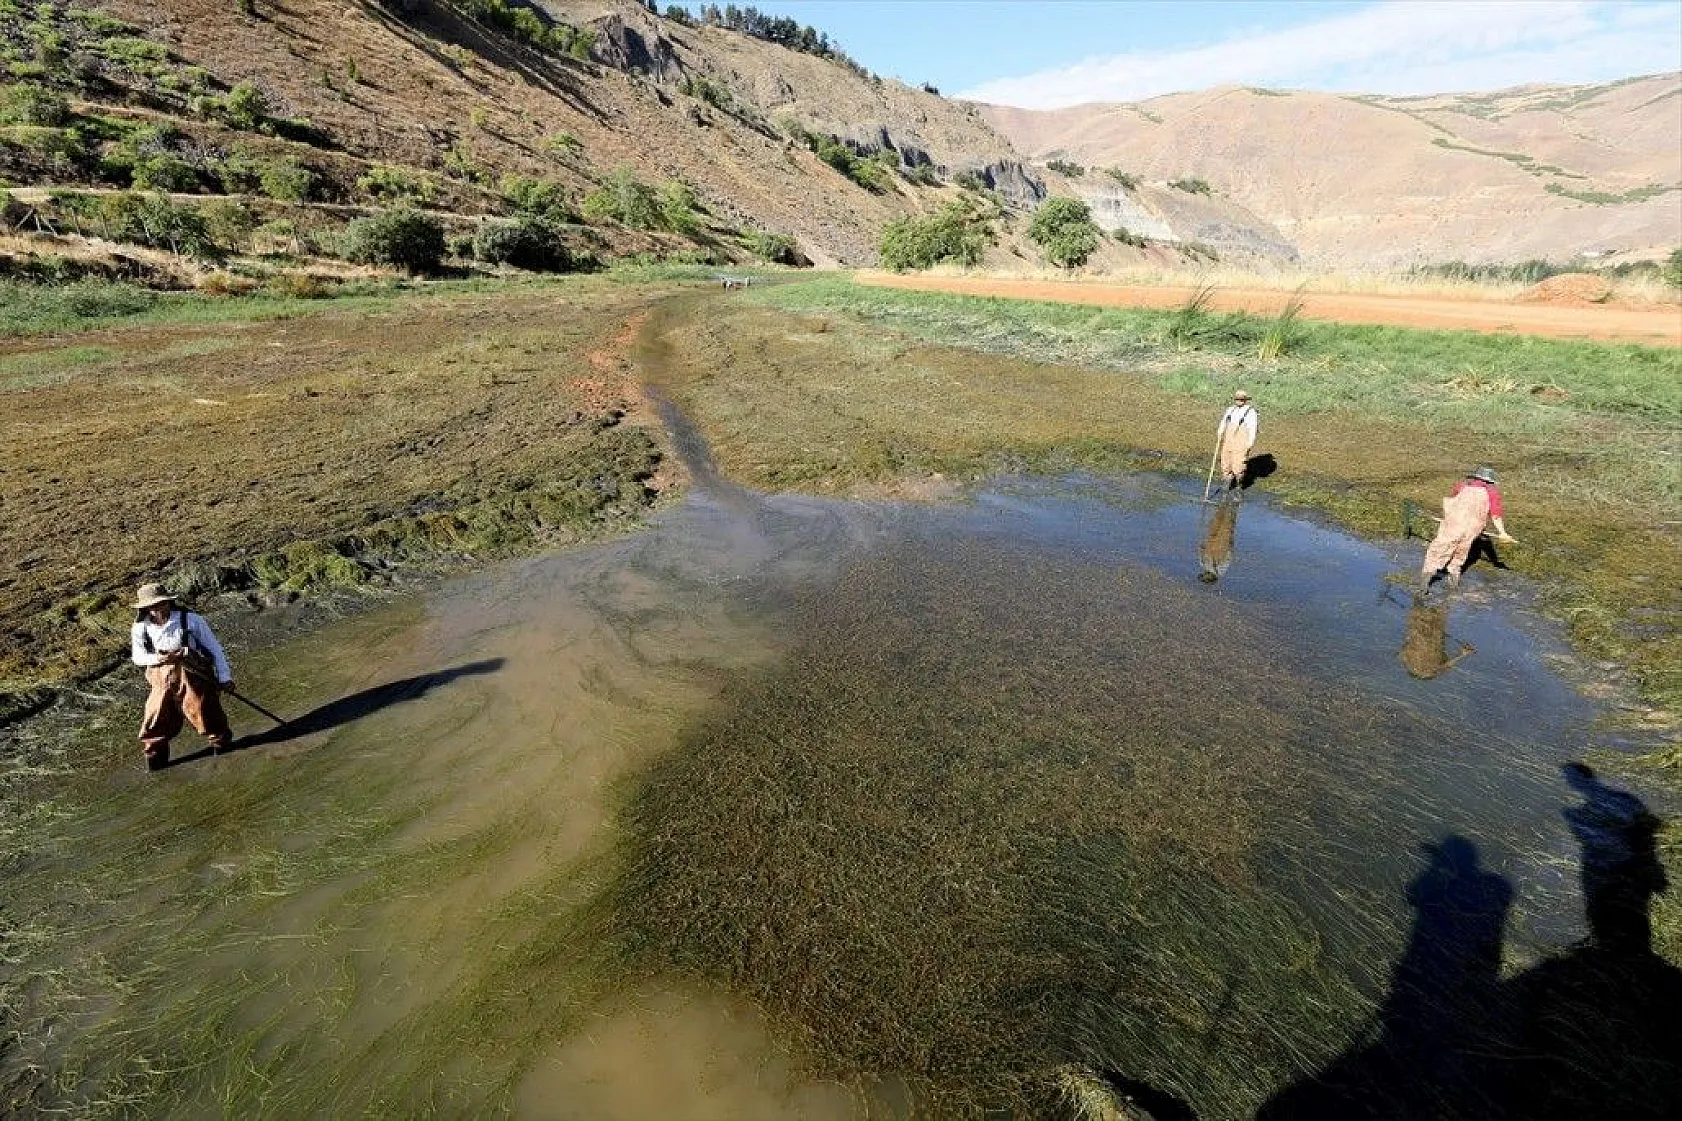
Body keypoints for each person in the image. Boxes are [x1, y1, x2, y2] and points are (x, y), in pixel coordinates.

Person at [130, 582, 235, 770]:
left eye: (161, 604)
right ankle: (156, 760)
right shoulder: (140, 629)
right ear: (145, 608)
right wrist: (158, 658)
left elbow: (214, 649)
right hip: (160, 680)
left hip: (193, 675)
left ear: (169, 602)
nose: (157, 609)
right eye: (152, 606)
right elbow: (138, 657)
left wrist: (225, 677)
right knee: (154, 719)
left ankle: (223, 747)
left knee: (205, 713)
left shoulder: (191, 619)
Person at [1419, 467, 1517, 591]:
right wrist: (1503, 533)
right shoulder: (1492, 494)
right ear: (1490, 482)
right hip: (1471, 530)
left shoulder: (1462, 486)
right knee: (1460, 554)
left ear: (1476, 477)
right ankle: (1453, 585)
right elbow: (1496, 516)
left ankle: (1424, 584)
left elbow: (1453, 501)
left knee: (1437, 551)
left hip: (1452, 525)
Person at [1215, 390, 1258, 490]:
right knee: (1225, 462)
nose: (1239, 401)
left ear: (1245, 400)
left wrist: (1250, 443)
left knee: (1238, 465)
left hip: (1241, 441)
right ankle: (1227, 483)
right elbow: (1224, 421)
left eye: (1241, 399)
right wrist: (1220, 431)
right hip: (1228, 440)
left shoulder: (1250, 412)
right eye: (1238, 399)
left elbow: (1253, 428)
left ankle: (1239, 486)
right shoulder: (1230, 410)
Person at [1197, 499, 1239, 583]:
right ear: (1210, 578)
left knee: (1216, 521)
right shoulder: (1220, 570)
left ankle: (1224, 502)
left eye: (1203, 575)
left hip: (1210, 541)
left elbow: (1201, 551)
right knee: (1227, 525)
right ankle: (1234, 503)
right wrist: (1230, 545)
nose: (1204, 574)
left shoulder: (1203, 564)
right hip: (1222, 546)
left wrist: (1202, 545)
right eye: (1205, 576)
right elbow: (1228, 557)